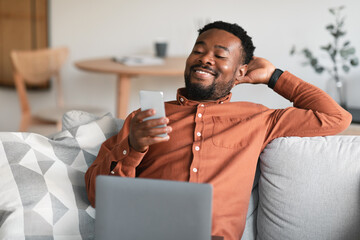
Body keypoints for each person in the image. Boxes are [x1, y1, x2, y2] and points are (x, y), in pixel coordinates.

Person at [85, 21, 352, 240]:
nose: (205, 59)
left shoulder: (258, 118)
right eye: (198, 51)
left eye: (220, 55)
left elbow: (335, 118)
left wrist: (274, 77)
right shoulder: (145, 119)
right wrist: (133, 146)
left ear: (241, 72)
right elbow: (99, 196)